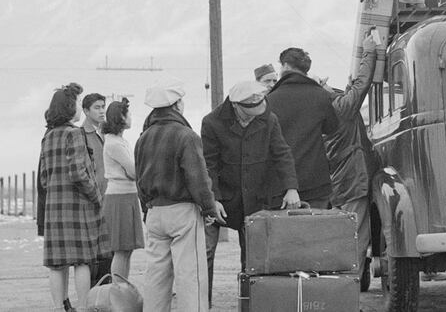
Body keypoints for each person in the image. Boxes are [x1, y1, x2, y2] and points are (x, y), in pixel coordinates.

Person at [200, 80, 302, 301]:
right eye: (249, 112)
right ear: (236, 106)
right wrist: (212, 199)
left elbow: (282, 154)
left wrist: (291, 187)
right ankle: (202, 303)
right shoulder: (211, 123)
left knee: (254, 257)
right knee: (205, 253)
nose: (254, 116)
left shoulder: (268, 118)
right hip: (223, 200)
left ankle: (251, 302)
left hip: (256, 199)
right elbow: (209, 165)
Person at [133, 80, 219, 312]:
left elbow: (140, 179)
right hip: (182, 212)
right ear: (177, 105)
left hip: (154, 212)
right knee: (190, 275)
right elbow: (198, 179)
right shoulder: (186, 136)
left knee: (156, 276)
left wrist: (146, 211)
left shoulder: (143, 138)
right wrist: (209, 209)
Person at [38, 82, 108, 312]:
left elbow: (44, 178)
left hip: (54, 207)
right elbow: (79, 173)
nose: (80, 107)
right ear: (69, 108)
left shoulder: (47, 137)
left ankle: (58, 308)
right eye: (78, 103)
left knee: (57, 265)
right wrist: (96, 196)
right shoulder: (74, 134)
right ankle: (85, 307)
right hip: (77, 206)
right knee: (82, 261)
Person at [323, 32, 384, 290]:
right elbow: (360, 87)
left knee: (347, 233)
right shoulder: (339, 109)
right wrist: (369, 52)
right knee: (355, 234)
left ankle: (351, 280)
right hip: (352, 180)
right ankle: (348, 286)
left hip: (341, 181)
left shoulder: (329, 111)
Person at [263, 46, 342, 209]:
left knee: (283, 233)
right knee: (315, 231)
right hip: (316, 182)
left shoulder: (269, 100)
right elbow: (332, 127)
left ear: (285, 66)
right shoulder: (321, 95)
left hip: (280, 185)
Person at [100, 99, 145, 282]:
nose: (131, 117)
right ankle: (118, 288)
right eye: (128, 114)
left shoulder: (119, 141)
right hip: (120, 197)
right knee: (121, 249)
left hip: (126, 195)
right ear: (121, 117)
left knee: (126, 249)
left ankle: (121, 286)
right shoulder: (114, 144)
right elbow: (134, 171)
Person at [79, 92, 113, 282]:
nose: (102, 111)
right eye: (97, 107)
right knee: (94, 250)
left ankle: (106, 289)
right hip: (93, 199)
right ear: (85, 111)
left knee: (110, 247)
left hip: (111, 196)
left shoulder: (107, 133)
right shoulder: (81, 135)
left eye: (103, 107)